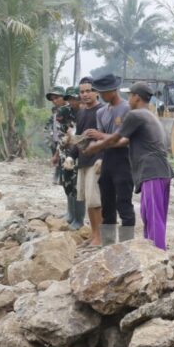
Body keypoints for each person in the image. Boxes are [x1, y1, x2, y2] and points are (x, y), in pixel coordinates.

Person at [86, 82, 174, 250]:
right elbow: (123, 141)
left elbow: (115, 137)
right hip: (160, 172)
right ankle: (151, 251)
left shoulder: (136, 115)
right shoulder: (149, 116)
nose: (128, 100)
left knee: (153, 217)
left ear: (137, 97)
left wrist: (95, 147)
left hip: (152, 171)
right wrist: (102, 145)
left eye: (130, 96)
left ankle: (156, 254)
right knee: (151, 215)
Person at [84, 74, 135, 245]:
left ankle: (128, 244)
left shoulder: (127, 109)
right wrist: (90, 143)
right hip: (107, 158)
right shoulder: (101, 112)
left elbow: (126, 139)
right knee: (107, 202)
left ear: (113, 90)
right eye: (100, 92)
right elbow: (101, 140)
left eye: (104, 92)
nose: (102, 95)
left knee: (124, 202)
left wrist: (100, 137)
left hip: (124, 159)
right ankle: (108, 244)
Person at [70, 78, 103, 245]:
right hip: (83, 161)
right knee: (88, 201)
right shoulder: (81, 113)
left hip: (96, 161)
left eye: (88, 91)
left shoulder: (102, 111)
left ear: (96, 92)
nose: (85, 94)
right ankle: (93, 234)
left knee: (96, 201)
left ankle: (100, 237)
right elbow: (79, 138)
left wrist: (102, 158)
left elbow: (108, 137)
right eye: (82, 92)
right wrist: (71, 156)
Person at [56, 87, 82, 227]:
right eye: (70, 99)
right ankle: (71, 214)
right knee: (67, 183)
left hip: (80, 152)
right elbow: (59, 133)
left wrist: (73, 138)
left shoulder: (85, 111)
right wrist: (66, 139)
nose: (72, 101)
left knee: (77, 185)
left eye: (75, 98)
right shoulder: (63, 111)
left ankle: (78, 219)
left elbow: (83, 136)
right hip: (65, 152)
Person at [45, 86, 66, 185]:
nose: (54, 101)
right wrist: (49, 137)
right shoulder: (55, 112)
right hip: (55, 140)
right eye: (53, 99)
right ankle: (58, 176)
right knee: (57, 160)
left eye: (57, 98)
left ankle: (63, 177)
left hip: (66, 141)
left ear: (64, 97)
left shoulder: (69, 110)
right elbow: (49, 125)